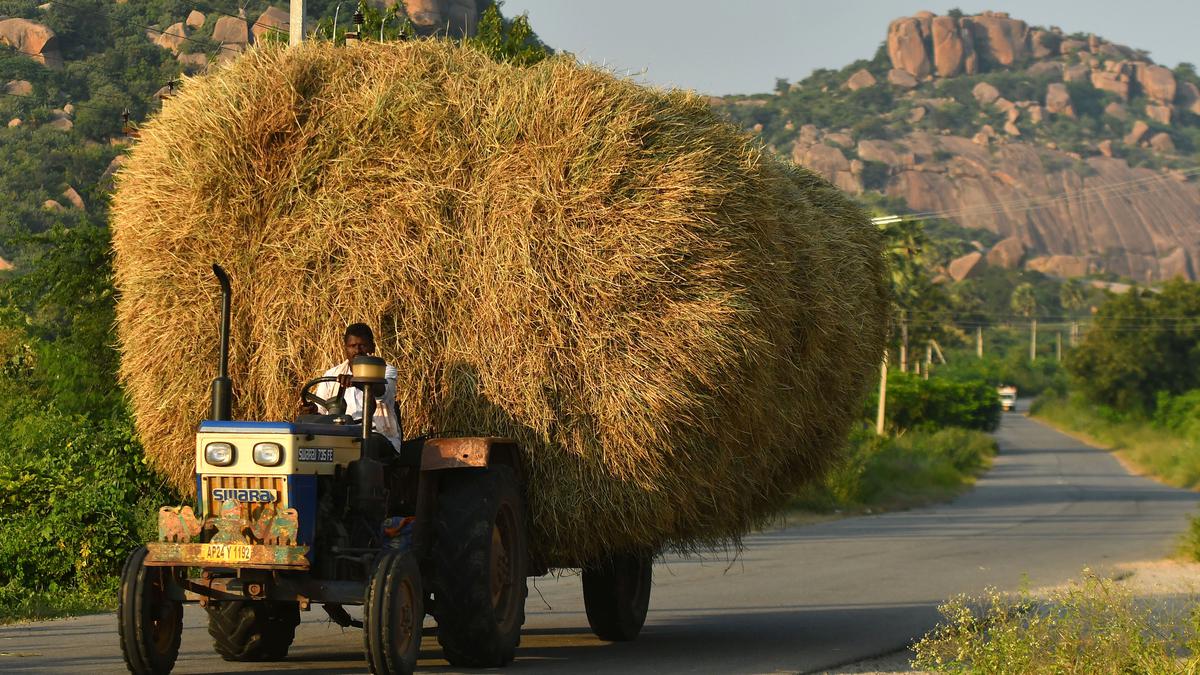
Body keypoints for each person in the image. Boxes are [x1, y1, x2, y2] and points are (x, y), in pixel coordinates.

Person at [299, 323, 402, 454]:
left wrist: (356, 381)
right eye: (352, 346)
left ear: (372, 347)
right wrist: (311, 411)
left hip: (377, 436)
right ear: (345, 349)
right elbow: (320, 410)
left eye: (363, 345)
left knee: (363, 446)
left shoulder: (385, 370)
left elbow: (381, 393)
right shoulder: (332, 374)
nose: (358, 351)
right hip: (339, 435)